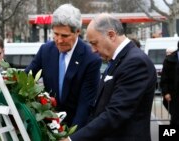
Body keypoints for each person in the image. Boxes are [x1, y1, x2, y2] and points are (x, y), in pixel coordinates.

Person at [61, 13, 157, 141]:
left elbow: (115, 114)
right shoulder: (118, 60)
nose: (93, 50)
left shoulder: (135, 62)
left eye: (95, 43)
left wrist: (72, 139)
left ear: (111, 35)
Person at [25, 4, 102, 130]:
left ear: (77, 31)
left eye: (65, 36)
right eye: (56, 34)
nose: (59, 40)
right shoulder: (45, 51)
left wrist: (71, 137)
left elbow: (85, 106)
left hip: (75, 128)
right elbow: (26, 78)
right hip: (48, 127)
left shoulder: (91, 60)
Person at [160, 42, 179, 126]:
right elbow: (164, 77)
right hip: (174, 95)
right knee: (175, 119)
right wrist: (166, 92)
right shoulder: (169, 59)